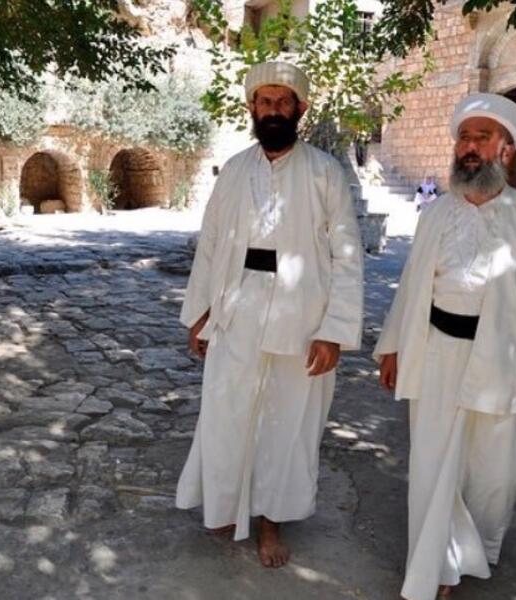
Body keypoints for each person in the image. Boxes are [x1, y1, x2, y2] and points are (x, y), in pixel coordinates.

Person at [375, 93, 516, 600]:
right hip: (437, 354)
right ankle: (436, 568)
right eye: (464, 136)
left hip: (506, 361)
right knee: (436, 463)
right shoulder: (435, 214)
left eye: (483, 137)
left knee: (496, 471)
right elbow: (413, 286)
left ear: (507, 149)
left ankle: (474, 547)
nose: (470, 146)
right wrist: (392, 347)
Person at [176, 60, 364, 568]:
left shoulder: (326, 173)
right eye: (266, 102)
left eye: (284, 103)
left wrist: (335, 332)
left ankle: (271, 524)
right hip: (237, 309)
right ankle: (223, 505)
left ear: (300, 109)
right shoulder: (235, 171)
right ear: (251, 109)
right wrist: (200, 313)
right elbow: (211, 245)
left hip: (302, 318)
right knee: (227, 413)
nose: (274, 111)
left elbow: (347, 256)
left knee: (288, 424)